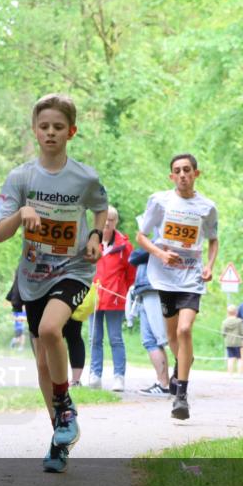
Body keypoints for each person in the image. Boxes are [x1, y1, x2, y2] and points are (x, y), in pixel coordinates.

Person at [0, 93, 108, 473]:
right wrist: (22, 211)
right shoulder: (21, 177)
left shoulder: (84, 177)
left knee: (50, 329)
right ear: (34, 131)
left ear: (71, 131)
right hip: (33, 276)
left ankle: (65, 406)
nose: (51, 133)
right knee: (43, 363)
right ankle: (60, 439)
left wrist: (95, 237)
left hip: (74, 269)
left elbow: (100, 208)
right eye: (44, 127)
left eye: (59, 127)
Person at [136, 153, 219, 421]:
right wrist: (160, 254)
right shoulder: (160, 201)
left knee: (185, 330)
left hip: (191, 278)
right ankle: (183, 363)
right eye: (177, 171)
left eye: (187, 170)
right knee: (172, 337)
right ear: (171, 176)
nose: (182, 174)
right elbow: (141, 236)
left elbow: (214, 240)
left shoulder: (207, 207)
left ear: (196, 173)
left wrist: (210, 266)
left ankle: (181, 396)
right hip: (164, 277)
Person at [88, 206, 135, 391]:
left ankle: (119, 377)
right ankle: (95, 374)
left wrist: (125, 291)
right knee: (94, 338)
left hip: (115, 299)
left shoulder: (124, 246)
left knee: (115, 338)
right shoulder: (91, 242)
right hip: (94, 298)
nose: (107, 223)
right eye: (104, 219)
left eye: (111, 220)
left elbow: (131, 273)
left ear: (115, 222)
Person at [127, 244, 172, 396]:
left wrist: (149, 247)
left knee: (154, 339)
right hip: (149, 290)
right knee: (152, 340)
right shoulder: (157, 241)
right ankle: (164, 382)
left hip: (153, 289)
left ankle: (164, 384)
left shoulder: (159, 240)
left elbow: (134, 257)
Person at [222, 304, 243, 375]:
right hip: (238, 342)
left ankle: (230, 373)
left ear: (228, 312)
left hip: (229, 343)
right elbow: (242, 332)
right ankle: (239, 373)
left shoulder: (225, 322)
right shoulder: (239, 321)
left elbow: (223, 333)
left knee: (230, 358)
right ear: (236, 312)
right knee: (239, 358)